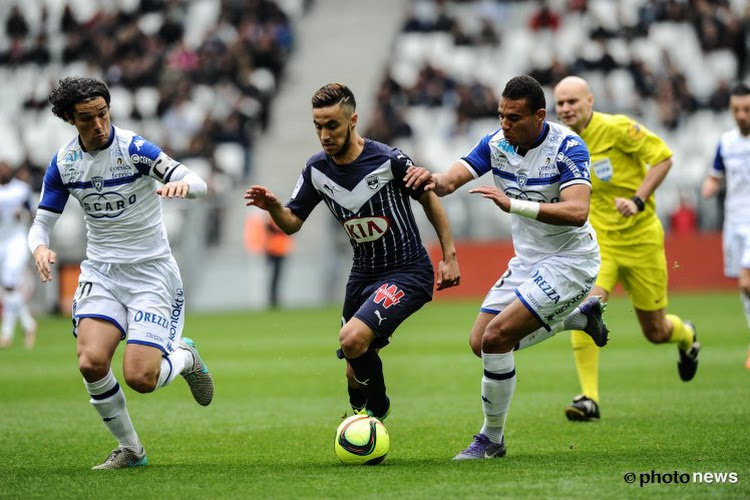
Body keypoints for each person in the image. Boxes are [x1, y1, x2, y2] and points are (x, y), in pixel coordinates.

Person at [403, 75, 609, 459]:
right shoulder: (497, 143)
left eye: (514, 117)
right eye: (500, 115)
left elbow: (578, 212)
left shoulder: (569, 147)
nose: (504, 124)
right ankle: (579, 318)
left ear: (539, 116)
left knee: (497, 338)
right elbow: (450, 181)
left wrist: (514, 204)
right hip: (529, 262)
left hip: (571, 261)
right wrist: (427, 178)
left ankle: (491, 439)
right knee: (480, 343)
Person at [244, 83, 460, 421]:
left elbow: (429, 198)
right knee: (352, 369)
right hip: (362, 275)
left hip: (407, 270)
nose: (324, 134)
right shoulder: (316, 170)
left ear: (353, 120)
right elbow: (292, 223)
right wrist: (273, 207)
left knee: (353, 339)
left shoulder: (388, 160)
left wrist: (449, 256)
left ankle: (378, 413)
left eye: (332, 125)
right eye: (318, 126)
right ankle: (359, 419)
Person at [28, 77, 214, 469]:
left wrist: (183, 188)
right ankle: (131, 448)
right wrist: (40, 247)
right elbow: (41, 223)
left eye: (103, 113)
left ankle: (184, 357)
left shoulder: (133, 148)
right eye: (86, 119)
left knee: (141, 378)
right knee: (91, 363)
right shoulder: (64, 164)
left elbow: (196, 181)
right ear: (68, 119)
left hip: (150, 273)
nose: (98, 125)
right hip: (103, 272)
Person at [553, 75, 699, 422]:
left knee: (656, 331)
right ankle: (589, 397)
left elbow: (663, 158)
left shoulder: (618, 128)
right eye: (560, 103)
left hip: (641, 239)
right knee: (586, 308)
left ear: (590, 101)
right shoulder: (559, 141)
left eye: (573, 101)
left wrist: (638, 199)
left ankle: (687, 337)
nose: (566, 109)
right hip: (598, 243)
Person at [701, 82, 750, 369]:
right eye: (736, 110)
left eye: (746, 109)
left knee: (746, 281)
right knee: (743, 287)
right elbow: (715, 175)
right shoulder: (727, 142)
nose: (741, 115)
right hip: (734, 220)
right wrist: (709, 186)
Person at [0, 161, 37, 349]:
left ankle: (6, 334)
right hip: (1, 242)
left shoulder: (21, 189)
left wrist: (21, 214)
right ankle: (28, 324)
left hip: (17, 240)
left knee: (9, 285)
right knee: (9, 289)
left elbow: (32, 213)